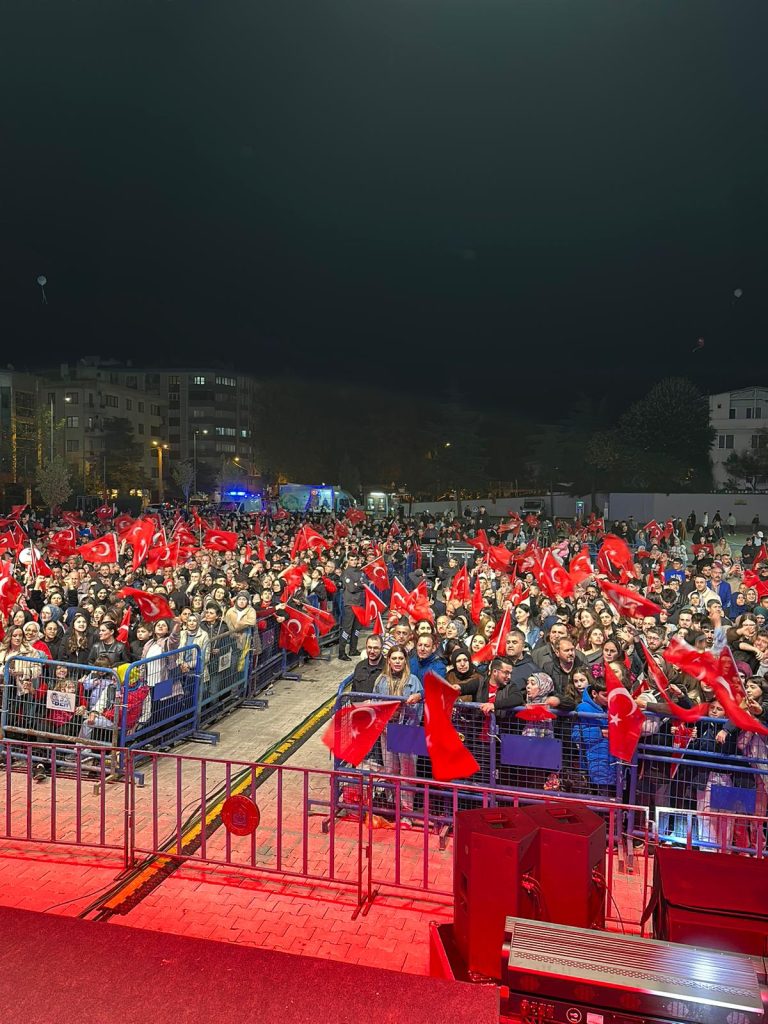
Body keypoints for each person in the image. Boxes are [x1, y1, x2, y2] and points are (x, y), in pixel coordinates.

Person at [372, 645, 423, 823]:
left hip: (407, 731)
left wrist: (412, 701)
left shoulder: (414, 680)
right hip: (387, 730)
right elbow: (375, 703)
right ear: (389, 660)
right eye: (394, 658)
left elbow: (420, 706)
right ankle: (393, 806)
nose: (397, 662)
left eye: (401, 658)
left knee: (408, 773)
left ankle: (407, 812)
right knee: (391, 770)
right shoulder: (381, 681)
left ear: (405, 661)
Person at [338, 554, 364, 662]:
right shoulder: (346, 573)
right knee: (347, 629)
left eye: (355, 559)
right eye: (351, 560)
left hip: (359, 603)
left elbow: (365, 584)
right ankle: (341, 652)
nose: (353, 561)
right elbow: (352, 588)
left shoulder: (360, 571)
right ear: (348, 561)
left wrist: (358, 584)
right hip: (350, 604)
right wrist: (359, 584)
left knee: (357, 629)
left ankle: (353, 649)